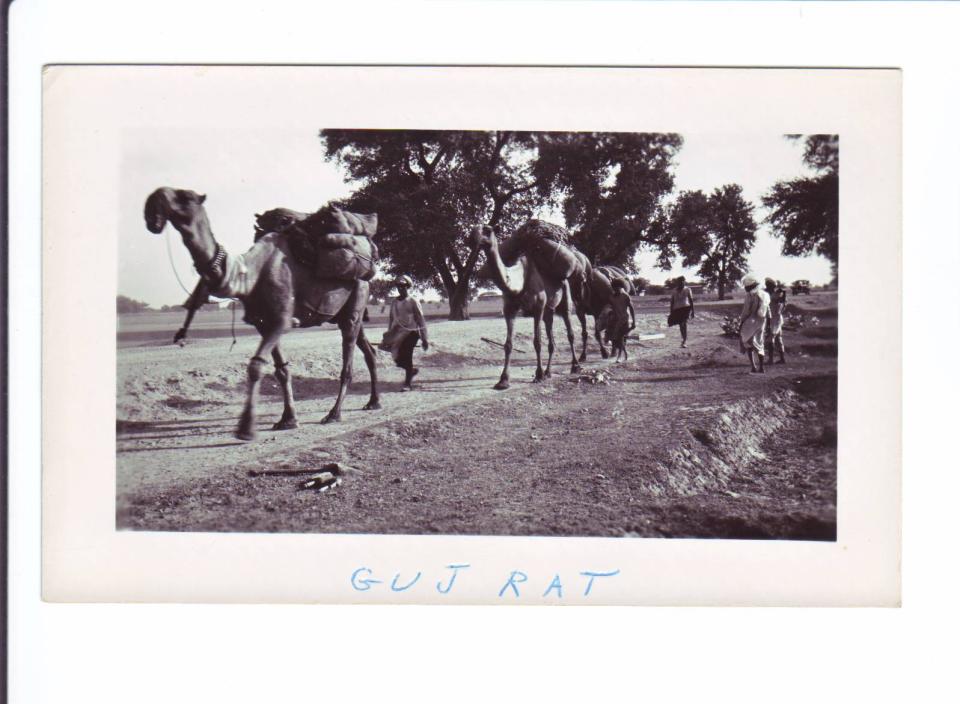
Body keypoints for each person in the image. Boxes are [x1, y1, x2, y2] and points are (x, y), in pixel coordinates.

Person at [380, 275, 429, 390]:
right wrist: (389, 335)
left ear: (407, 287)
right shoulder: (394, 302)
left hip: (411, 332)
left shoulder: (413, 301)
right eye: (398, 286)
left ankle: (407, 384)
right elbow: (392, 319)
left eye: (403, 286)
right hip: (397, 332)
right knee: (397, 358)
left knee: (407, 355)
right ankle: (411, 371)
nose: (400, 288)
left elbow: (420, 320)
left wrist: (424, 338)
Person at [738, 274, 770, 373]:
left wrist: (741, 322)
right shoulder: (765, 295)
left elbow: (746, 311)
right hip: (761, 322)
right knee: (760, 343)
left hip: (750, 322)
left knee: (748, 343)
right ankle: (761, 367)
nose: (746, 289)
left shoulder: (750, 296)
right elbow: (768, 311)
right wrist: (768, 323)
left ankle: (753, 366)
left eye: (747, 287)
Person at [605, 278, 636, 362]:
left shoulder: (625, 296)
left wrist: (634, 321)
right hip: (616, 320)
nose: (615, 289)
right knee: (615, 340)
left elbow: (631, 308)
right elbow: (611, 307)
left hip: (625, 319)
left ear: (621, 287)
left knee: (620, 338)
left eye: (617, 287)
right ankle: (625, 353)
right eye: (614, 288)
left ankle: (619, 357)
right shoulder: (611, 297)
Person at [667, 276, 695, 348]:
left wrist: (693, 311)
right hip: (677, 309)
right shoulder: (674, 291)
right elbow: (672, 302)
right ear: (677, 283)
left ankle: (684, 341)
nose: (681, 283)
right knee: (680, 324)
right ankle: (683, 339)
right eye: (680, 282)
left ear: (684, 282)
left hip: (685, 308)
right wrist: (671, 312)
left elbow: (691, 300)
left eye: (683, 281)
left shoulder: (688, 289)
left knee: (683, 323)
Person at [764, 277, 787, 364]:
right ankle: (782, 358)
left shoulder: (773, 296)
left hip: (773, 319)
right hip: (778, 319)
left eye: (767, 285)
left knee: (770, 339)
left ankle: (771, 359)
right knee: (778, 339)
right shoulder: (780, 296)